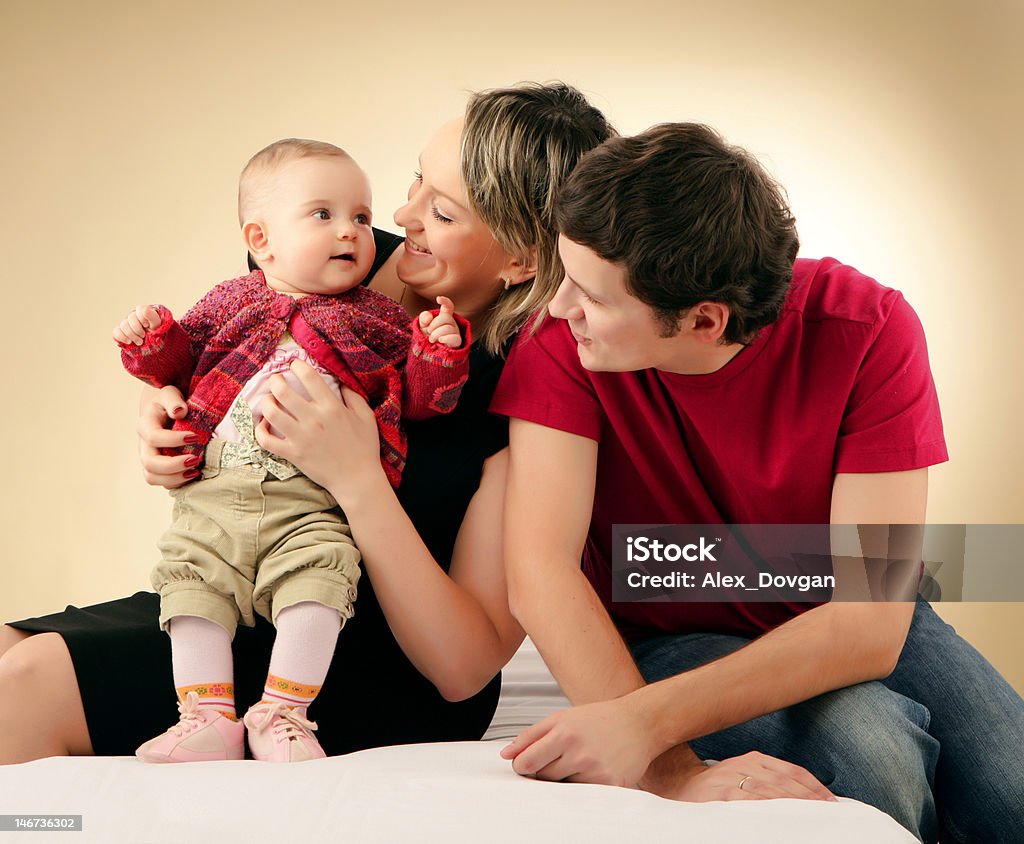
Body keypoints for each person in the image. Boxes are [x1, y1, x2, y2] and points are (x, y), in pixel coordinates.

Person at [0, 82, 612, 765]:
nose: (402, 213)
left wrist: (357, 479)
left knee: (25, 687)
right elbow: (213, 372)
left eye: (440, 211)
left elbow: (464, 667)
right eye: (415, 180)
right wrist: (170, 418)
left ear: (522, 258)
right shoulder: (320, 256)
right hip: (238, 585)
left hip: (362, 657)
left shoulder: (530, 383)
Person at [492, 123, 1024, 842]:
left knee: (1012, 786)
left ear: (705, 320)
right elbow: (539, 571)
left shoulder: (868, 326)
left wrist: (637, 725)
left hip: (848, 608)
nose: (558, 309)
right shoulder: (560, 347)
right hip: (673, 625)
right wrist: (670, 768)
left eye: (591, 295)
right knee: (875, 758)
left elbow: (868, 622)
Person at [112, 138, 468, 763]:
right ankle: (206, 716)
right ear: (261, 239)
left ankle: (283, 713)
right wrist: (150, 343)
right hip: (212, 497)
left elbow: (417, 397)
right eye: (323, 215)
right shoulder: (230, 300)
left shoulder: (379, 316)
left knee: (321, 583)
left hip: (310, 506)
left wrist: (437, 351)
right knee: (191, 589)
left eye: (361, 217)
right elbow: (182, 362)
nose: (353, 232)